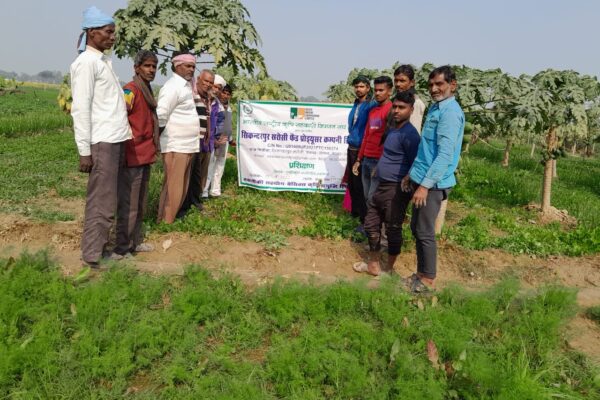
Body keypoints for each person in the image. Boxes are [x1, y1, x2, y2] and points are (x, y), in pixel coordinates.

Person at [70, 6, 131, 267]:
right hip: (102, 142)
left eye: (114, 32)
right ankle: (92, 257)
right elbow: (81, 109)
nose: (112, 37)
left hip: (114, 139)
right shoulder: (85, 64)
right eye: (108, 32)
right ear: (92, 33)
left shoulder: (102, 62)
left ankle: (99, 251)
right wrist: (84, 150)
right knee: (101, 202)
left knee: (108, 200)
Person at [401, 65, 465, 292]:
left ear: (452, 85)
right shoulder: (437, 109)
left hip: (433, 184)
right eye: (431, 85)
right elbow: (427, 148)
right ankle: (420, 274)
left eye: (440, 84)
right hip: (423, 179)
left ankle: (427, 280)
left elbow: (445, 156)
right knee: (417, 228)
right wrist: (413, 174)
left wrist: (424, 186)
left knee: (425, 230)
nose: (435, 89)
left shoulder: (449, 113)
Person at [353, 91, 420, 276]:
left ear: (411, 110)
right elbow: (389, 153)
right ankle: (373, 265)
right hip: (381, 184)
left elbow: (416, 162)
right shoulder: (393, 129)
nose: (396, 111)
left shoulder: (410, 135)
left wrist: (409, 182)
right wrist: (379, 168)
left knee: (393, 229)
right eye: (395, 107)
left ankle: (389, 270)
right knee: (371, 224)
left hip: (396, 189)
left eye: (402, 108)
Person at [114, 50, 158, 256]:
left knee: (139, 204)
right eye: (147, 66)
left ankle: (134, 242)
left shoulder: (146, 90)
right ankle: (122, 248)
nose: (151, 70)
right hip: (133, 156)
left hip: (145, 155)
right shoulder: (130, 91)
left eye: (154, 66)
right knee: (129, 205)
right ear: (136, 68)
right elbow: (120, 118)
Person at [156, 53, 200, 223]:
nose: (191, 69)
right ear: (177, 66)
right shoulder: (172, 86)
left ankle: (170, 219)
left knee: (181, 185)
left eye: (193, 66)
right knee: (172, 186)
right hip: (176, 145)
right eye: (188, 66)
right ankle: (164, 221)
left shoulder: (186, 86)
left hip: (187, 145)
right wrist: (157, 141)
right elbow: (161, 115)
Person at [178, 69, 216, 215]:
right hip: (189, 140)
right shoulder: (192, 95)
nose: (208, 84)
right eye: (205, 81)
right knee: (188, 175)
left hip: (202, 142)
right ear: (199, 79)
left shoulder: (207, 97)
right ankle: (183, 206)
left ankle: (194, 202)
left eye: (210, 82)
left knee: (196, 175)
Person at [352, 76, 393, 201]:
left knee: (373, 197)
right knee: (366, 196)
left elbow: (391, 140)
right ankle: (369, 221)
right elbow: (366, 136)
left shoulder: (391, 110)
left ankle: (376, 221)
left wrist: (382, 162)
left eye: (381, 90)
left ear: (390, 91)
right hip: (366, 159)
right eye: (376, 90)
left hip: (378, 161)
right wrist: (359, 159)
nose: (377, 93)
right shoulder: (373, 111)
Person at [345, 76, 375, 233]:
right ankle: (356, 213)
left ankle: (365, 220)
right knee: (353, 183)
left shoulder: (371, 105)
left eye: (362, 86)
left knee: (362, 186)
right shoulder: (356, 104)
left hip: (361, 149)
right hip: (351, 147)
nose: (358, 89)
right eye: (356, 86)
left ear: (368, 88)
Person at [204, 83, 234, 197]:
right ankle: (205, 192)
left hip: (225, 140)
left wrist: (230, 140)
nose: (225, 96)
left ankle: (215, 191)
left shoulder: (229, 108)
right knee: (210, 166)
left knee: (220, 166)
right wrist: (214, 140)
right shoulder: (215, 105)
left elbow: (228, 125)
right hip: (216, 140)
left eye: (228, 94)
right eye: (224, 93)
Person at [393, 65, 427, 133]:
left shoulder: (416, 103)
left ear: (412, 82)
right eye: (396, 80)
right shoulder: (398, 100)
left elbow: (414, 130)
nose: (398, 84)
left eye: (402, 81)